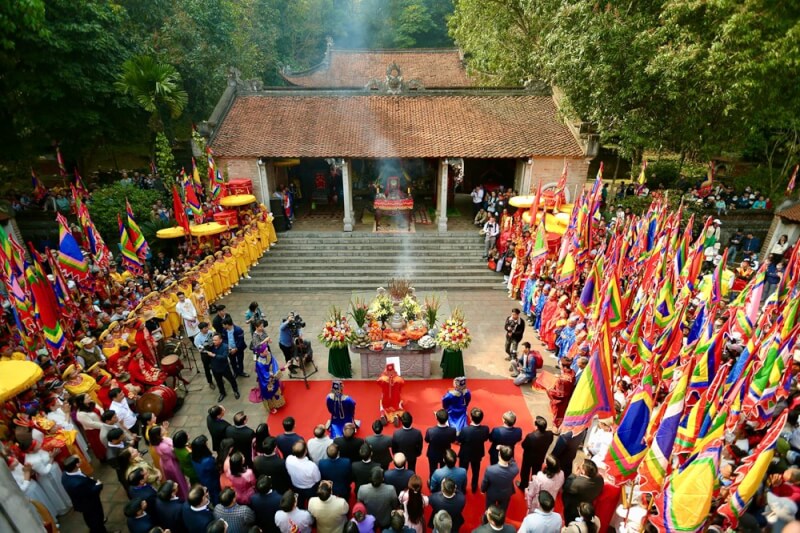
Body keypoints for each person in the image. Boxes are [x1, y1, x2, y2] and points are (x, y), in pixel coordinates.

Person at [61, 455, 107, 533]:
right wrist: (99, 485)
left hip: (82, 503)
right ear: (77, 465)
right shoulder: (78, 483)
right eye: (79, 459)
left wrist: (88, 481)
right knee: (96, 518)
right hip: (90, 504)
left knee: (89, 517)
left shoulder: (65, 474)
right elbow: (91, 493)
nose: (81, 459)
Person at [150, 425, 190, 499]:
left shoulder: (157, 443)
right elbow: (174, 455)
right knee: (178, 479)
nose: (163, 429)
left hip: (165, 462)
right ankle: (184, 495)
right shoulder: (163, 447)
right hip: (171, 464)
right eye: (161, 429)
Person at [457, 407, 490, 494]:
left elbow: (460, 440)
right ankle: (474, 487)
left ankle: (462, 488)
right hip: (477, 453)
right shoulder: (485, 429)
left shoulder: (465, 430)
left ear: (471, 418)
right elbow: (486, 438)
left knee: (463, 471)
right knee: (476, 471)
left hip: (465, 454)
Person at [562, 459, 604, 524]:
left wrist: (573, 474)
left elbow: (566, 486)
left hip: (574, 507)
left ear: (583, 472)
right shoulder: (600, 479)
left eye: (581, 466)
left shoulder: (578, 483)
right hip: (587, 503)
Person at [518, 416, 554, 490]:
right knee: (536, 472)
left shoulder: (531, 436)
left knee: (525, 471)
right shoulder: (550, 434)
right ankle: (533, 485)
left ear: (537, 426)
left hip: (528, 457)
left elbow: (523, 445)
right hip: (540, 457)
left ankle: (523, 485)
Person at [203, 334, 241, 402]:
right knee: (219, 382)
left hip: (224, 368)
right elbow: (205, 353)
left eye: (215, 340)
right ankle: (222, 393)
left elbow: (224, 357)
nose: (214, 341)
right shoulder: (211, 346)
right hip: (215, 368)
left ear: (220, 340)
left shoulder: (225, 346)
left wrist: (214, 355)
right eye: (213, 340)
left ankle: (235, 391)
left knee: (231, 380)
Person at [481, 445, 519, 512]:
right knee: (503, 510)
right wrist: (505, 451)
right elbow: (513, 461)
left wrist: (483, 490)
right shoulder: (515, 469)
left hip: (492, 493)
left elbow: (485, 482)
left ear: (499, 455)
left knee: (489, 509)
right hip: (506, 493)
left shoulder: (490, 469)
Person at [285, 440, 321, 507]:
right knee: (312, 503)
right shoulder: (312, 466)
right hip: (310, 489)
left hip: (295, 486)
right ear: (306, 451)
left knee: (300, 502)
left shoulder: (288, 459)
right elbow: (317, 479)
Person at [426, 409, 458, 478]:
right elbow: (453, 440)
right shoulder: (452, 431)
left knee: (432, 471)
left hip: (433, 454)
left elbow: (426, 440)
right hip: (446, 454)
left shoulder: (430, 431)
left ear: (436, 418)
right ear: (447, 419)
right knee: (444, 471)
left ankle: (433, 485)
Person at [548, 356, 576, 427]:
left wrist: (549, 390)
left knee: (558, 412)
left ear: (564, 367)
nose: (559, 365)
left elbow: (560, 394)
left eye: (560, 364)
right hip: (568, 395)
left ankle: (556, 426)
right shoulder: (572, 372)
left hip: (561, 400)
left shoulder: (562, 381)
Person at [194, 322, 216, 390]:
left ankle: (218, 377)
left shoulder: (210, 332)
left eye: (207, 327)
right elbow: (200, 349)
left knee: (215, 366)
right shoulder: (197, 338)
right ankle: (210, 382)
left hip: (212, 350)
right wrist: (207, 352)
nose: (207, 329)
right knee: (207, 369)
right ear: (201, 329)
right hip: (205, 354)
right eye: (205, 328)